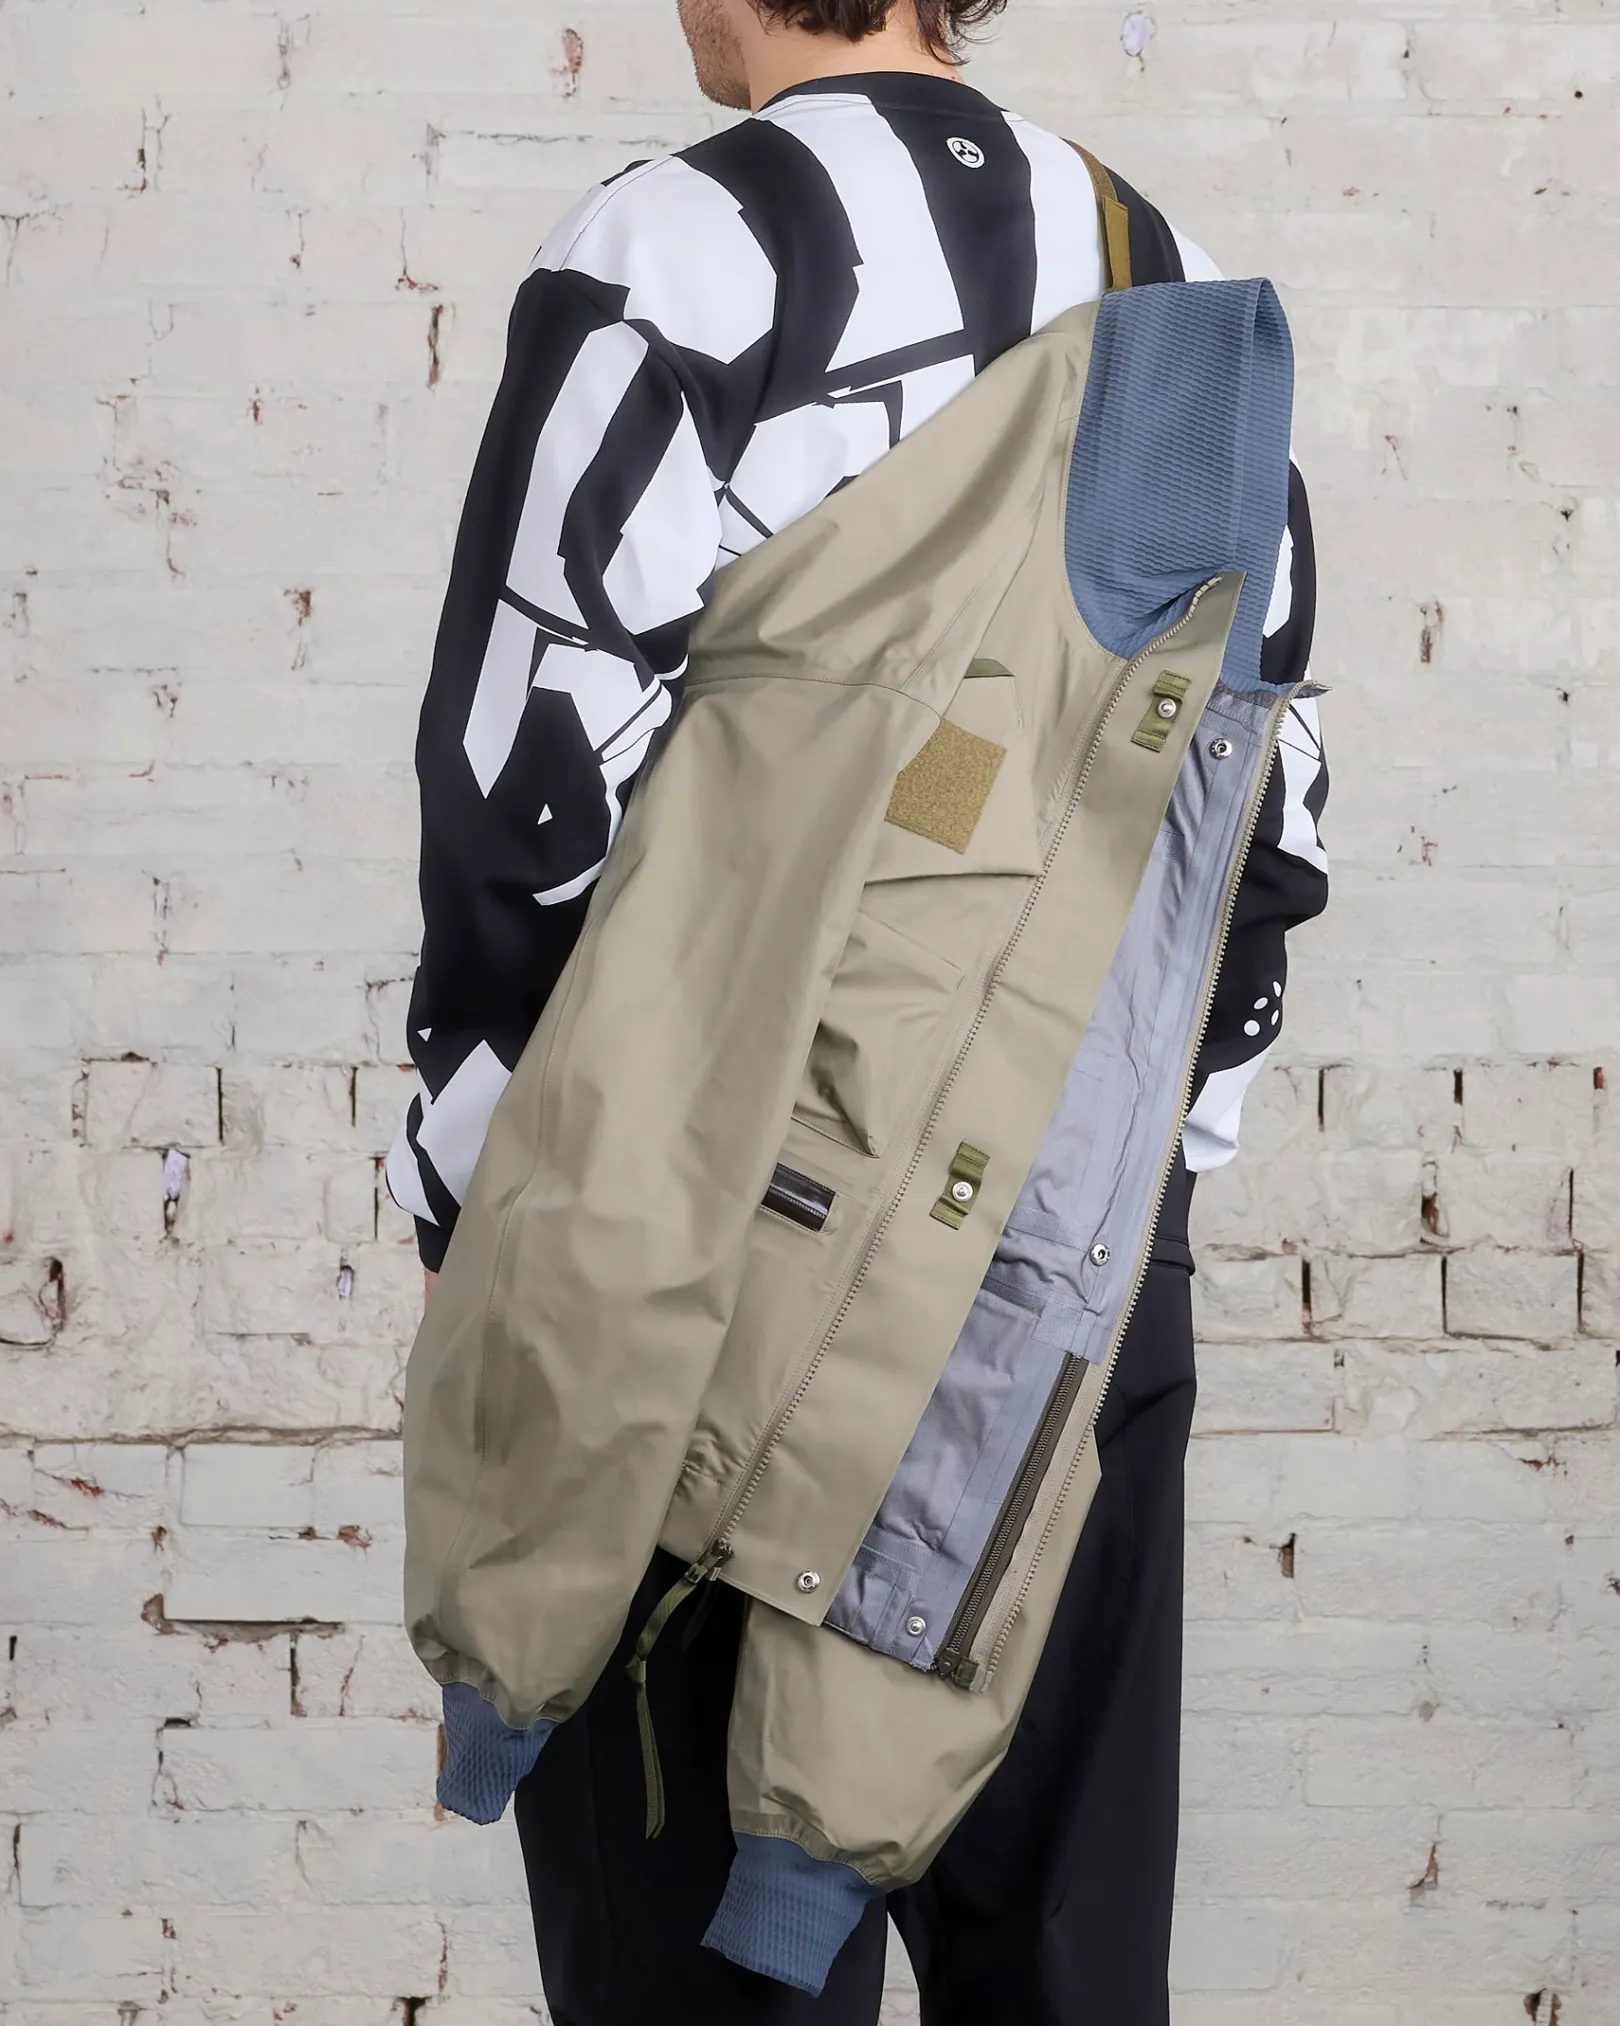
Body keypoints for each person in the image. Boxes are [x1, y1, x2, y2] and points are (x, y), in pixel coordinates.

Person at [386, 0, 1329, 2017]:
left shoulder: (684, 248)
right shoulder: (1169, 286)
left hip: (702, 1278)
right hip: (1074, 1300)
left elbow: (524, 781)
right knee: (1064, 1980)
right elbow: (1259, 815)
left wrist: (485, 1196)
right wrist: (1134, 1201)